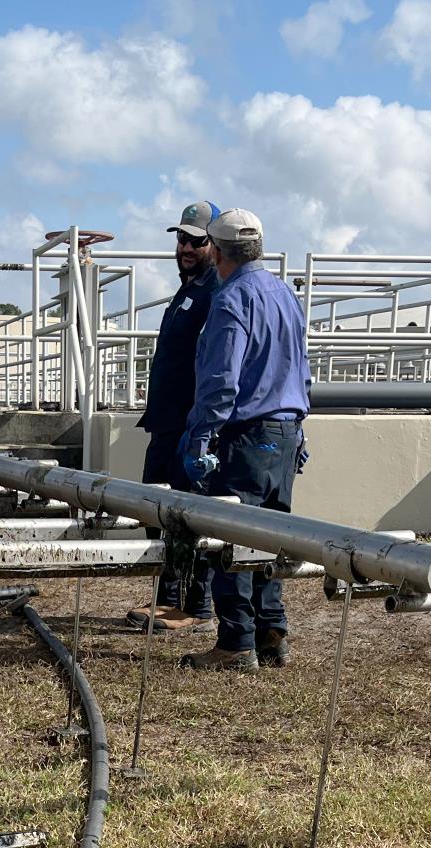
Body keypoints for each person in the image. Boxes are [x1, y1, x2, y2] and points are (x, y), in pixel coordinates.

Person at [178, 208, 310, 672]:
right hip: (285, 430)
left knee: (230, 539)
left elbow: (221, 379)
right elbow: (300, 365)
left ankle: (236, 643)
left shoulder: (233, 298)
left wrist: (202, 436)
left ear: (215, 249)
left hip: (246, 434)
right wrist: (299, 428)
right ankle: (272, 632)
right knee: (270, 537)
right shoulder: (283, 293)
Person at [126, 200, 221, 634]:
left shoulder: (214, 292)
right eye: (181, 238)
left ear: (213, 243)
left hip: (189, 427)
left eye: (196, 240)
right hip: (165, 424)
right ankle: (166, 598)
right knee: (156, 512)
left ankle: (195, 605)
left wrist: (203, 428)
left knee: (190, 517)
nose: (185, 247)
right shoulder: (187, 290)